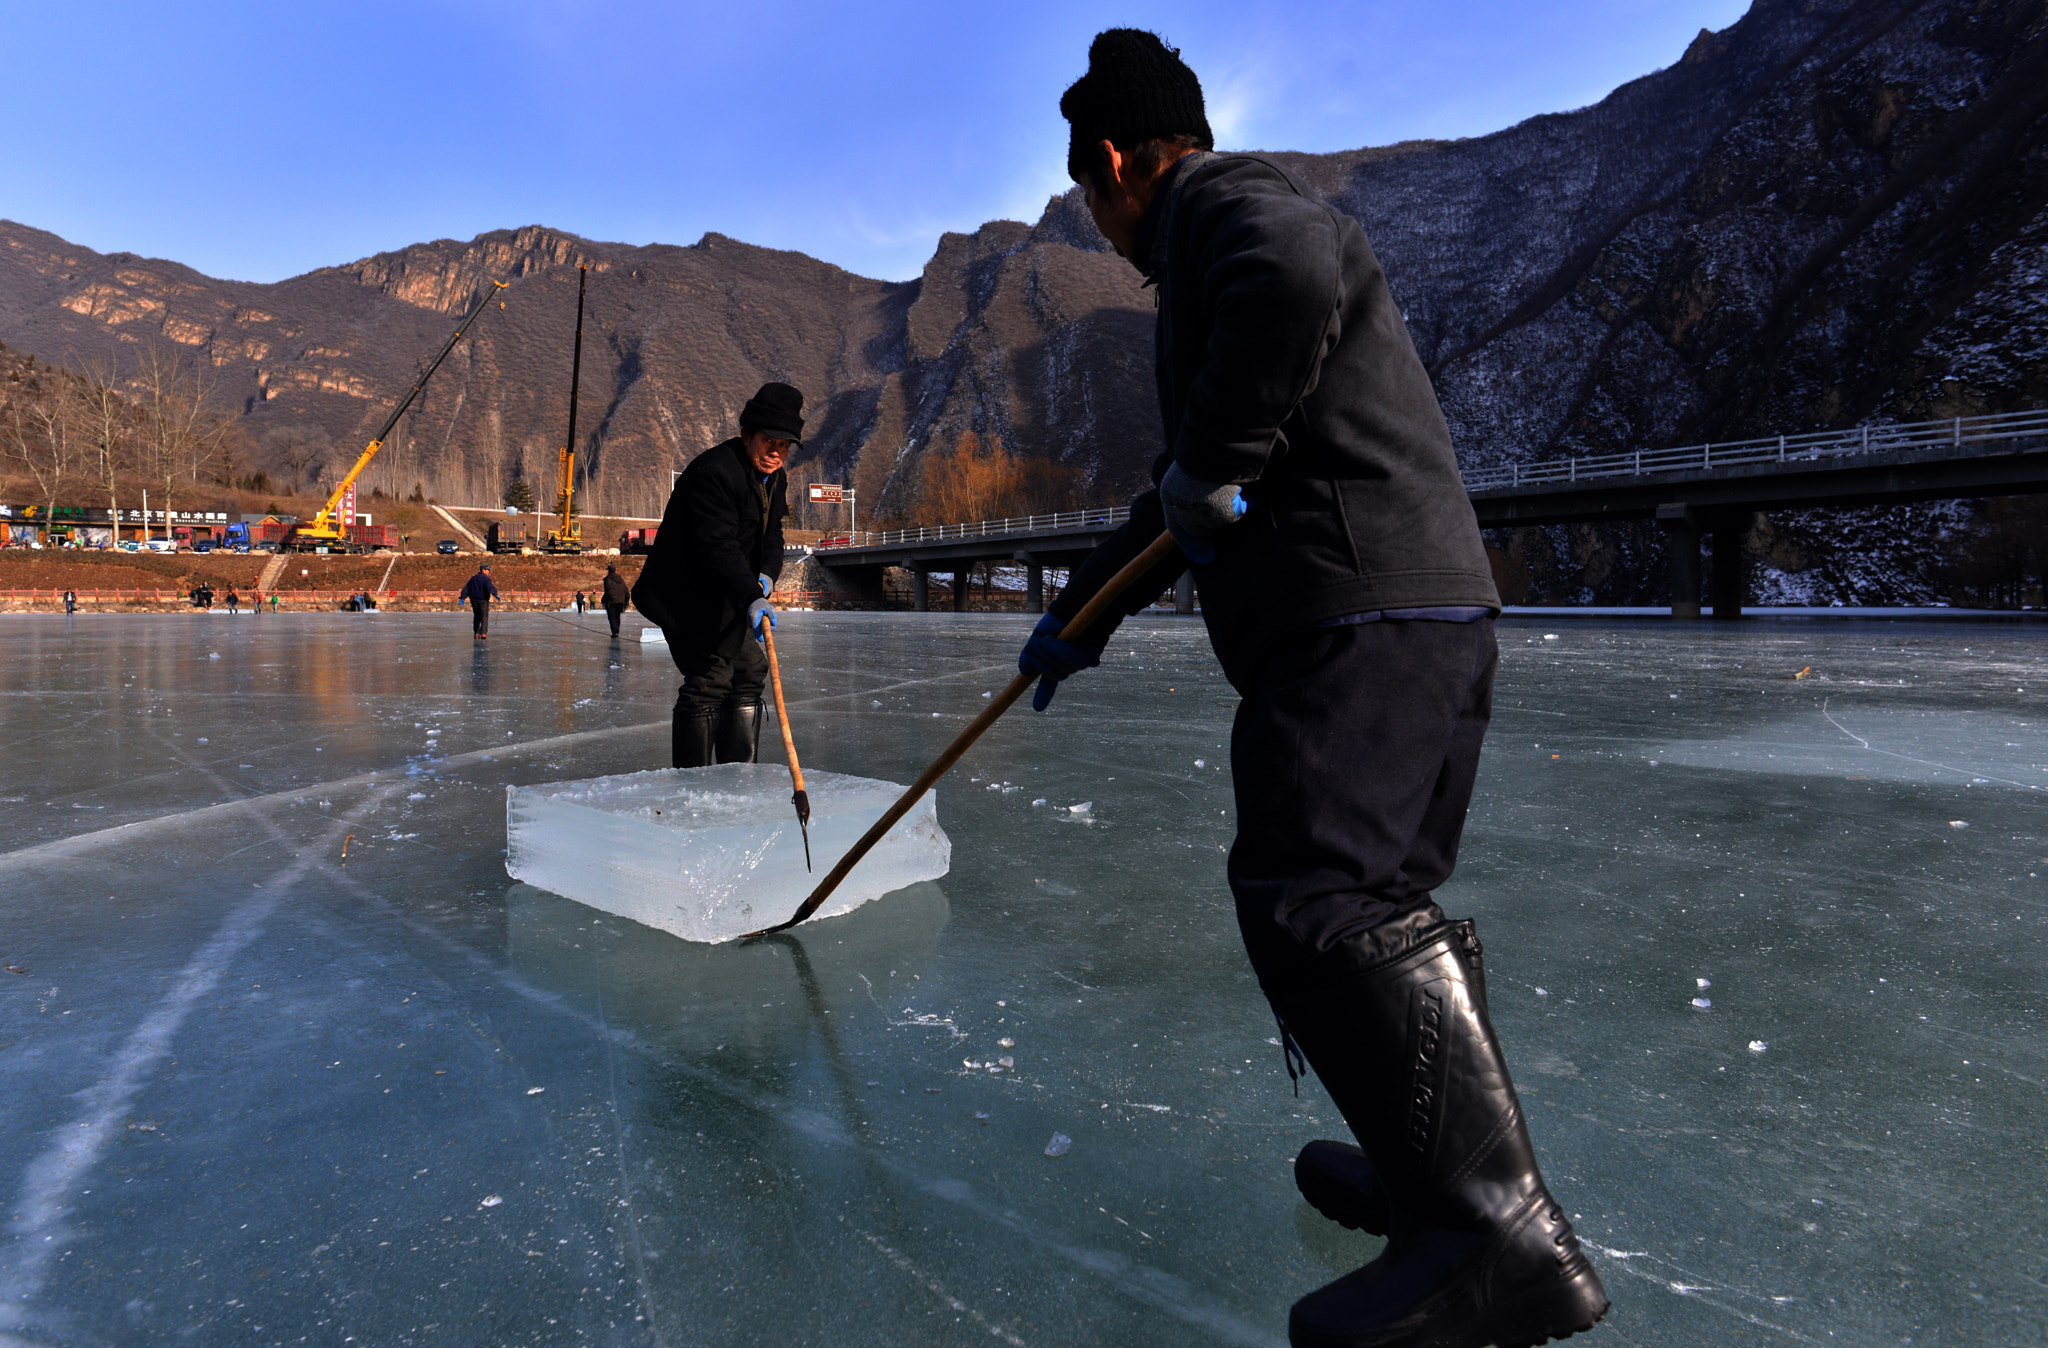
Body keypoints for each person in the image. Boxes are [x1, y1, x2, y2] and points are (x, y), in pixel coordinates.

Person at [1020, 32, 1608, 1348]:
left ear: (1112, 164)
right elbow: (1181, 490)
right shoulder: (1219, 245)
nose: (1103, 231)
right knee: (1372, 898)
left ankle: (1492, 1235)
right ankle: (1434, 1178)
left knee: (1313, 896)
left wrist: (1219, 454)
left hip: (1362, 619)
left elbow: (1296, 285)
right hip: (1424, 605)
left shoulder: (1226, 211)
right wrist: (1079, 613)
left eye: (1090, 201)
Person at [632, 381, 796, 767]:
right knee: (710, 675)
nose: (776, 453)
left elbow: (773, 537)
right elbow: (717, 546)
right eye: (768, 441)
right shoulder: (715, 472)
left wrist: (766, 580)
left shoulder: (776, 479)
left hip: (724, 594)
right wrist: (748, 595)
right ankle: (694, 785)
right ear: (746, 436)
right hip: (684, 595)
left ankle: (736, 776)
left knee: (750, 668)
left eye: (784, 446)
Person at [459, 564, 499, 640]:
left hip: (474, 600)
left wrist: (463, 598)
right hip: (483, 600)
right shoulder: (486, 578)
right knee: (484, 616)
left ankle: (476, 633)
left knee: (476, 616)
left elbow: (467, 588)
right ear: (483, 570)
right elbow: (489, 587)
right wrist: (495, 594)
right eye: (488, 570)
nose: (489, 572)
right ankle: (483, 633)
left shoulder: (473, 578)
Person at [601, 563, 630, 639]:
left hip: (611, 602)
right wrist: (625, 602)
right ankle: (616, 631)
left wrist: (608, 600)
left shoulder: (607, 579)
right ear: (615, 571)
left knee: (612, 617)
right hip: (620, 601)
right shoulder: (621, 580)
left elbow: (609, 591)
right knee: (617, 617)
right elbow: (626, 592)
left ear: (608, 571)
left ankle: (615, 632)